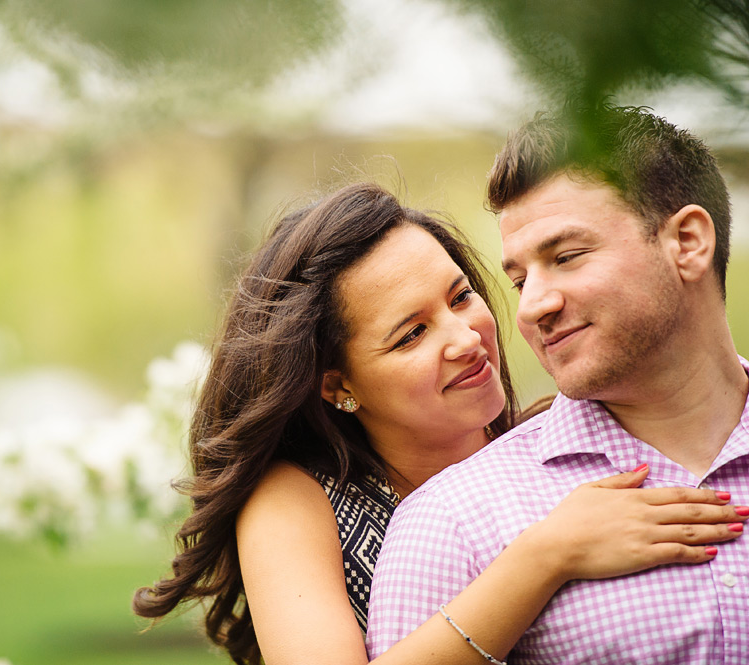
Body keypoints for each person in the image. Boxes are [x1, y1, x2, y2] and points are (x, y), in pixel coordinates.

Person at [133, 180, 746, 665]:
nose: (466, 339)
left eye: (459, 298)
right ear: (338, 385)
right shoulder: (295, 498)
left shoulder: (544, 452)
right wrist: (546, 555)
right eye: (412, 335)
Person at [366, 105, 749, 664]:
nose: (532, 307)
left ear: (687, 242)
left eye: (566, 257)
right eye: (519, 280)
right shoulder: (454, 521)